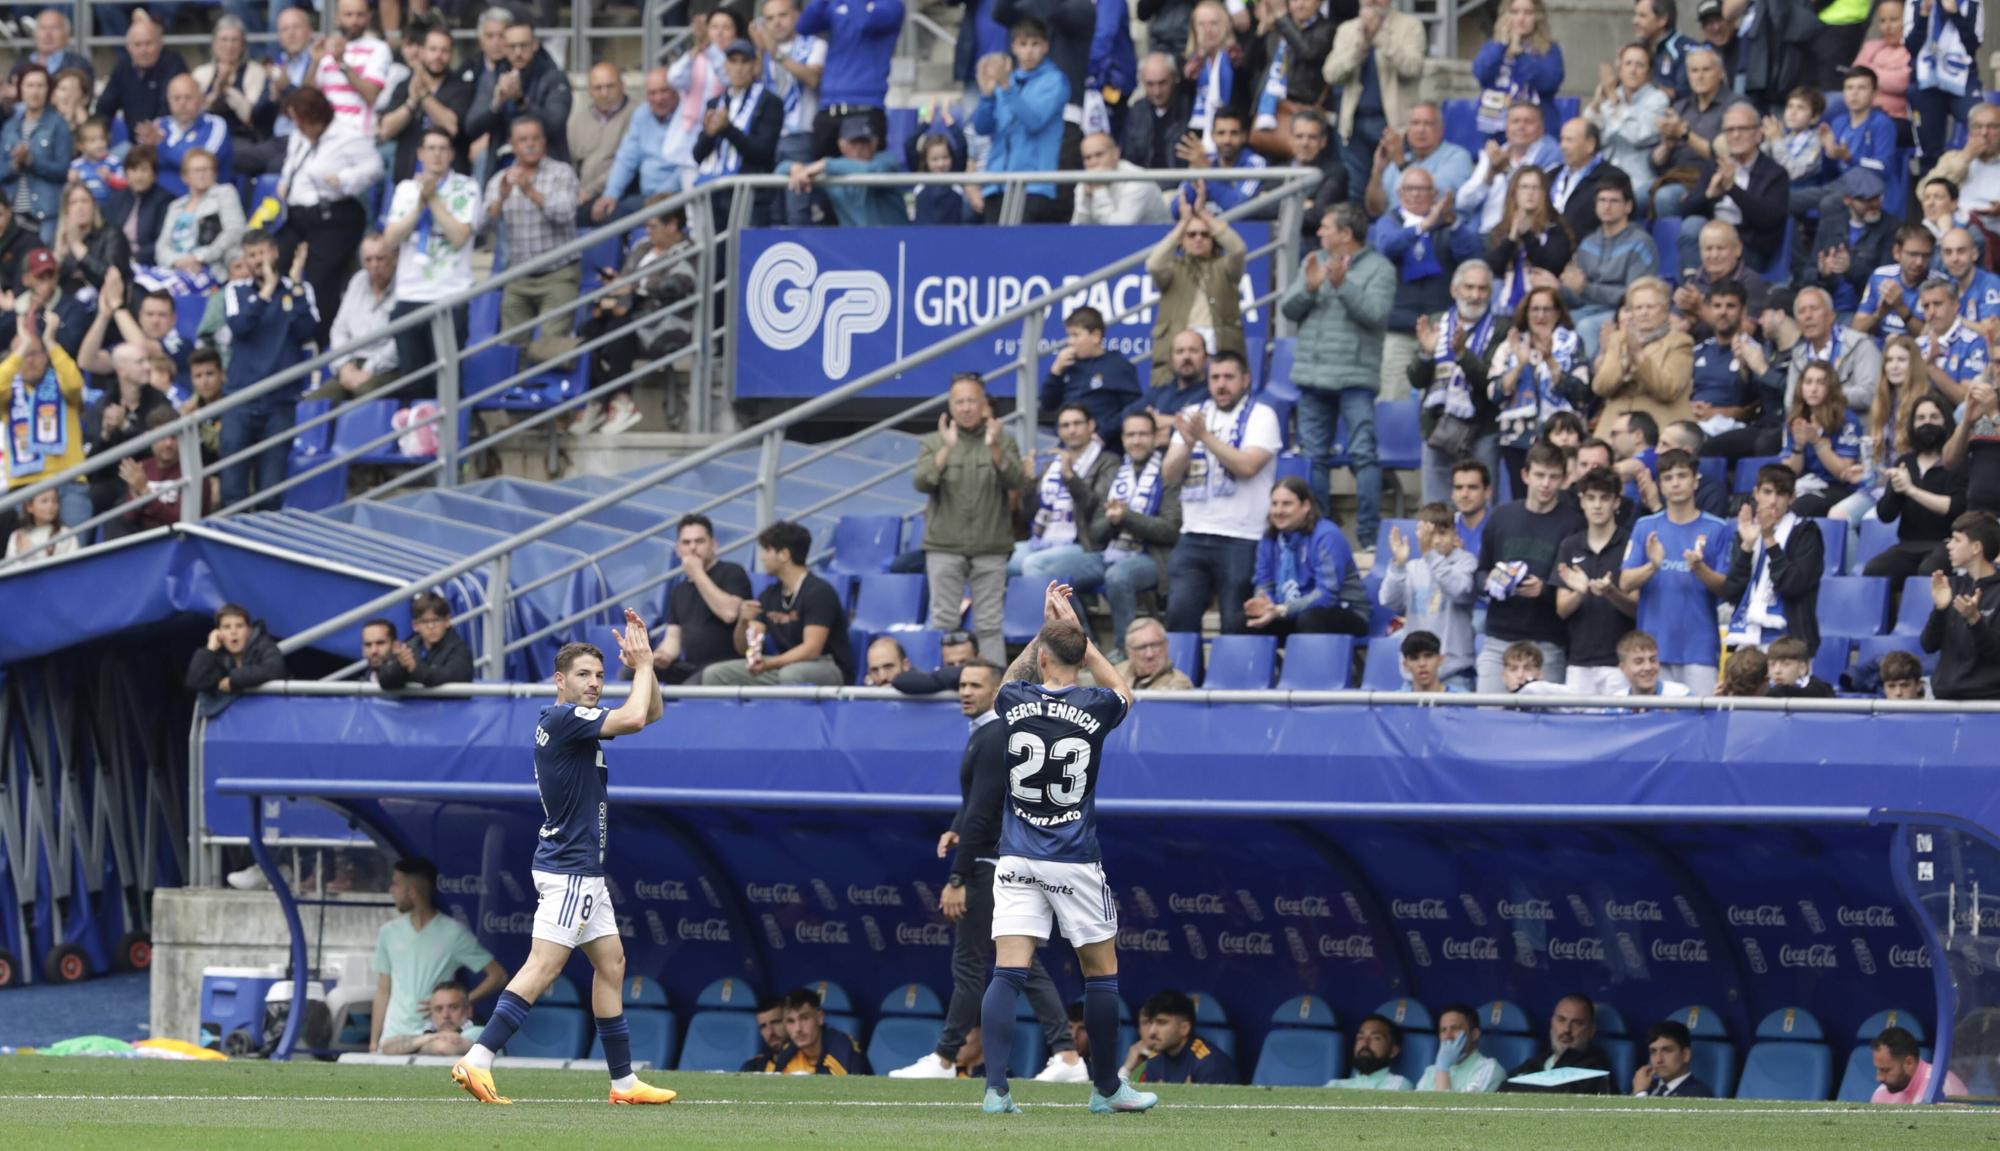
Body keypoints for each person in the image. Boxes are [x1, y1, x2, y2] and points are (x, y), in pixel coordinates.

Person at [451, 618, 675, 1106]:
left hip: (582, 870)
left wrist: (647, 667)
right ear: (560, 680)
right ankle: (478, 1058)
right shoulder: (564, 719)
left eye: (599, 674)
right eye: (583, 675)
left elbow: (650, 712)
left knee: (612, 963)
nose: (595, 682)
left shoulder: (574, 722)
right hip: (570, 869)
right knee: (544, 966)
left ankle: (623, 1083)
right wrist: (639, 666)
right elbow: (636, 719)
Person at [978, 582, 1153, 1116]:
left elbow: (1007, 680)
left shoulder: (1015, 699)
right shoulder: (1097, 705)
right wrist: (1080, 633)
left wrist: (1046, 628)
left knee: (1008, 969)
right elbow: (1125, 691)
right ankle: (1105, 1089)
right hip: (1073, 857)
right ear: (1078, 656)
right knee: (1101, 972)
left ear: (1043, 656)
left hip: (1016, 855)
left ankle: (995, 1090)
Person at [893, 659, 1086, 1082]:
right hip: (1002, 862)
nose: (965, 691)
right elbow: (978, 803)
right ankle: (1068, 1056)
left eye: (976, 685)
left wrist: (958, 877)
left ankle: (944, 1059)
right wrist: (954, 829)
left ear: (997, 691)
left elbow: (982, 812)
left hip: (988, 867)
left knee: (970, 963)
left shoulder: (996, 731)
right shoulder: (989, 731)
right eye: (962, 684)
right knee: (1021, 965)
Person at [1284, 203, 1394, 541]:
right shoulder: (1313, 261)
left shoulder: (1380, 269)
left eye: (1326, 227)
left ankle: (1368, 537)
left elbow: (1376, 314)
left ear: (1346, 234)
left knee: (1363, 455)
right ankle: (1320, 532)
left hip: (1354, 379)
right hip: (1312, 378)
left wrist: (1344, 285)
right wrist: (1310, 287)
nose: (1319, 233)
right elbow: (1288, 308)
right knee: (1313, 457)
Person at [1163, 350, 1283, 634]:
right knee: (1179, 616)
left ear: (1245, 380)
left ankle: (1231, 680)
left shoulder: (1262, 415)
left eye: (1228, 377)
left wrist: (1204, 437)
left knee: (1235, 623)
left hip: (1242, 537)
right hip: (1193, 534)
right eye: (1215, 377)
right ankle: (1186, 679)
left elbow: (1248, 466)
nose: (1221, 384)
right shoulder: (1194, 414)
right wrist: (1190, 445)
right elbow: (1169, 473)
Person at [917, 374, 1028, 664]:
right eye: (959, 402)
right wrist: (947, 449)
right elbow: (922, 482)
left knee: (990, 624)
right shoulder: (933, 441)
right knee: (942, 621)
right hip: (943, 545)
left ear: (983, 405)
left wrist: (994, 448)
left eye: (971, 401)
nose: (966, 408)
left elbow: (1018, 480)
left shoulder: (1004, 440)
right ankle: (940, 678)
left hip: (991, 545)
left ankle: (993, 691)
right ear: (950, 406)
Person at [220, 229, 319, 511]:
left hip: (281, 404)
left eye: (262, 253)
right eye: (251, 256)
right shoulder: (235, 290)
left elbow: (308, 331)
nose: (257, 261)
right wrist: (265, 293)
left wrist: (296, 284)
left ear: (274, 252)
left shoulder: (299, 289)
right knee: (232, 491)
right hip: (239, 401)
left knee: (271, 491)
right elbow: (240, 326)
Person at [273, 87, 382, 344]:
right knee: (275, 260)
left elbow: (375, 167)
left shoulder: (347, 136)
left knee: (321, 279)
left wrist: (345, 179)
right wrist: (285, 181)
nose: (297, 126)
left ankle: (325, 340)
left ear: (316, 117)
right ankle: (283, 332)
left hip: (334, 215)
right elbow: (292, 162)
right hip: (298, 215)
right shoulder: (299, 136)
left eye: (301, 120)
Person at [1619, 448, 1733, 692]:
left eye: (1682, 476)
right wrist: (1653, 566)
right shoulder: (1644, 526)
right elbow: (1625, 582)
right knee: (1654, 724)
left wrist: (1700, 569)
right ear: (1659, 485)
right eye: (1668, 478)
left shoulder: (1718, 528)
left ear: (1695, 481)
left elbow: (1727, 588)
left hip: (1699, 649)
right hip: (1652, 653)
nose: (1675, 483)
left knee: (1701, 725)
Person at [579, 199, 696, 435]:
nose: (647, 231)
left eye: (652, 226)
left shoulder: (689, 249)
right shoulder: (642, 247)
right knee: (588, 330)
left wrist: (634, 287)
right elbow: (625, 280)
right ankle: (600, 400)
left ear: (672, 224)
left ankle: (622, 401)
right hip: (631, 314)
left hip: (666, 321)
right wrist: (614, 285)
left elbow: (678, 285)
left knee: (620, 330)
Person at [1476, 441, 1587, 690]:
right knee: (1487, 720)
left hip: (1546, 640)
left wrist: (1545, 590)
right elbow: (1480, 570)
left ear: (1565, 479)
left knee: (1546, 725)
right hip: (1498, 638)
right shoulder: (1501, 516)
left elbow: (1578, 584)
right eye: (1539, 475)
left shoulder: (1574, 524)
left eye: (1553, 477)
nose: (1546, 484)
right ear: (1525, 475)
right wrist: (1491, 581)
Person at [369, 856, 506, 1053]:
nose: (391, 890)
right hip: (393, 1037)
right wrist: (374, 1043)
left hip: (436, 1037)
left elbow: (498, 975)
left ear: (413, 892)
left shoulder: (453, 933)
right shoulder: (388, 932)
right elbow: (383, 990)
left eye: (395, 884)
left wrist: (463, 1001)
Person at [382, 129, 478, 399]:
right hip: (410, 295)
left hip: (450, 295)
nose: (437, 154)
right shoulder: (405, 189)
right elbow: (390, 239)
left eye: (443, 148)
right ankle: (416, 440)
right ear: (420, 154)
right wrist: (418, 204)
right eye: (431, 148)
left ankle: (448, 439)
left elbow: (459, 236)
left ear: (451, 154)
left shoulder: (467, 187)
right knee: (413, 381)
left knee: (446, 380)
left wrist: (433, 200)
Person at [703, 521, 854, 686]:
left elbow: (812, 649)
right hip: (785, 665)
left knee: (791, 675)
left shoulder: (819, 592)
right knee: (715, 674)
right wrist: (743, 622)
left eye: (767, 550)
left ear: (784, 555)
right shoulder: (769, 596)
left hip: (826, 666)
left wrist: (770, 664)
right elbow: (746, 649)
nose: (762, 557)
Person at [1409, 261, 1506, 504]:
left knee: (1482, 511)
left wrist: (1463, 355)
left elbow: (1492, 385)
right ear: (1454, 290)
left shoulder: (1502, 329)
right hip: (1438, 427)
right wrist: (1426, 354)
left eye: (1483, 289)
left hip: (1482, 429)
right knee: (1436, 510)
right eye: (1469, 287)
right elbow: (1416, 379)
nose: (1475, 295)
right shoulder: (1435, 323)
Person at [483, 117, 579, 345]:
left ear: (544, 142)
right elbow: (483, 225)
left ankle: (544, 381)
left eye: (535, 138)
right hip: (519, 276)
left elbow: (566, 213)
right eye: (523, 140)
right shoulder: (500, 180)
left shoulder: (562, 172)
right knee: (511, 346)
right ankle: (517, 382)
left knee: (551, 346)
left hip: (558, 274)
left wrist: (530, 191)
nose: (530, 144)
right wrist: (501, 198)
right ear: (512, 145)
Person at [1374, 167, 1462, 410]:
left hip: (1440, 329)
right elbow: (1386, 247)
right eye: (1409, 189)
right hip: (1399, 329)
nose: (1415, 195)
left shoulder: (1445, 225)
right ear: (1400, 193)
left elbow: (1472, 255)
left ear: (1433, 194)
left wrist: (1453, 225)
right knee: (1393, 400)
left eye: (1422, 189)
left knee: (1440, 403)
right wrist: (1422, 227)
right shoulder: (1389, 221)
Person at [1323, 0, 1427, 205]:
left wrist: (1380, 37)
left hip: (1394, 126)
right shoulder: (1347, 29)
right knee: (1355, 192)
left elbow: (1412, 68)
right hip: (1353, 125)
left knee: (1392, 190)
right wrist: (1358, 51)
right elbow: (1330, 74)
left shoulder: (1410, 26)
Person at [1721, 464, 1826, 656]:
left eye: (1781, 494)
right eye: (1767, 492)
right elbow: (1731, 592)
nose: (1773, 501)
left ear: (1792, 498)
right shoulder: (1747, 532)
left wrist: (1769, 539)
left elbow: (1793, 585)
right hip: (1748, 642)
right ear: (1756, 493)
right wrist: (1746, 546)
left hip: (1791, 642)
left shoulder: (1806, 532)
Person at [1146, 189, 1247, 385]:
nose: (1198, 238)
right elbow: (1154, 264)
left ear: (1213, 239)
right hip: (1181, 349)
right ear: (1182, 241)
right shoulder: (1173, 268)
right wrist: (1182, 224)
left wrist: (1205, 215)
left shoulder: (1224, 267)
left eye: (1205, 234)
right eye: (1191, 235)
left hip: (1218, 349)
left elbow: (1238, 249)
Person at [1554, 466, 1638, 691]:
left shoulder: (1631, 544)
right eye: (1590, 498)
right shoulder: (1569, 546)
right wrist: (1579, 593)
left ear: (1617, 502)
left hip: (1621, 663)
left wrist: (1611, 592)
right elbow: (1562, 609)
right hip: (1579, 660)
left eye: (1604, 498)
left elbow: (1636, 608)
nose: (1597, 505)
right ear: (1582, 501)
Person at [1678, 103, 1789, 273]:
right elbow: (1685, 211)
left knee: (1719, 243)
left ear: (1758, 134)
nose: (1736, 135)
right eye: (1730, 130)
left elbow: (1768, 220)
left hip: (1747, 250)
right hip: (1712, 246)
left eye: (1743, 129)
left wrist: (1732, 188)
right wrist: (1708, 195)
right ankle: (1692, 283)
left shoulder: (1774, 173)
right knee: (1692, 224)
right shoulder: (1715, 166)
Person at [1012, 405, 1118, 577]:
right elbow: (1028, 514)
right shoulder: (1050, 465)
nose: (1072, 430)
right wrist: (1029, 483)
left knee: (1034, 565)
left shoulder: (1107, 462)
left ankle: (1056, 605)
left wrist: (1070, 477)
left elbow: (1095, 509)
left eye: (1077, 423)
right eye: (1065, 425)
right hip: (1043, 541)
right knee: (997, 560)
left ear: (1091, 425)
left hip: (1086, 547)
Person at [0, 324, 88, 529]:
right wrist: (20, 351)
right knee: (34, 557)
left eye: (35, 353)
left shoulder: (62, 385)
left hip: (69, 482)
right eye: (24, 354)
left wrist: (50, 342)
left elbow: (75, 384)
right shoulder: (8, 395)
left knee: (76, 555)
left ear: (46, 356)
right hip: (25, 487)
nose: (29, 360)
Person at [1381, 502, 1479, 686]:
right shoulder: (1412, 568)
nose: (1436, 541)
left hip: (1454, 673)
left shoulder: (1466, 562)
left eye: (1442, 533)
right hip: (1414, 677)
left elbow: (1459, 591)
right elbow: (1388, 601)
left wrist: (1430, 555)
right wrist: (1398, 566)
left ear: (1454, 534)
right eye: (1430, 534)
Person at [1867, 395, 1964, 580]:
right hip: (1907, 544)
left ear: (1946, 421)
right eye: (1921, 418)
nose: (1927, 423)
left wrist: (1911, 490)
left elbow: (1956, 507)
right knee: (1875, 570)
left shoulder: (1956, 462)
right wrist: (1896, 490)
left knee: (1929, 570)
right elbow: (1885, 515)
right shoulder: (1905, 462)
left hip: (1945, 544)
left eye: (1934, 417)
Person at [691, 39, 784, 225]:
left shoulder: (770, 102)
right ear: (725, 66)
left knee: (745, 252)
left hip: (750, 196)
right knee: (716, 253)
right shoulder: (715, 103)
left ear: (755, 65)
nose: (738, 68)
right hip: (715, 193)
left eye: (744, 61)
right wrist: (709, 134)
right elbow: (698, 154)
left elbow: (763, 153)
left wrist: (728, 129)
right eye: (733, 61)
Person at [655, 514, 753, 685]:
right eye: (686, 543)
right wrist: (662, 655)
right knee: (632, 674)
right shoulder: (679, 590)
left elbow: (729, 613)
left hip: (725, 667)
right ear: (678, 549)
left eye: (699, 541)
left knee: (690, 688)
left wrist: (697, 573)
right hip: (691, 667)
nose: (693, 548)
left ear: (713, 545)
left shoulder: (732, 572)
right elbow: (673, 638)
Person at [1646, 46, 1742, 221]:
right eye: (1694, 70)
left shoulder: (1734, 107)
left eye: (1706, 69)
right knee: (1629, 195)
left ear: (1721, 73)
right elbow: (1655, 163)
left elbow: (1723, 155)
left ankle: (1671, 248)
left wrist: (1684, 134)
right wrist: (1667, 146)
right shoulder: (1680, 107)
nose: (1700, 76)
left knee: (1665, 197)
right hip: (1673, 176)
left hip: (1711, 182)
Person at [1592, 277, 1694, 438]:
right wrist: (1623, 364)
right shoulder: (1618, 339)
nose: (1643, 312)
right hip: (1612, 429)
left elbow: (1668, 389)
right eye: (1638, 307)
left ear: (1665, 310)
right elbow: (1601, 387)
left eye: (1650, 307)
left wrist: (1638, 357)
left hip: (1656, 430)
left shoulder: (1680, 342)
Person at [378, 26, 474, 184]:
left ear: (451, 55)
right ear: (422, 52)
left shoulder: (462, 87)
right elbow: (386, 130)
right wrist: (411, 102)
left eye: (444, 51)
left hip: (450, 179)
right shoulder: (404, 86)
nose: (438, 56)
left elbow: (451, 126)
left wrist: (423, 95)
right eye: (433, 49)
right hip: (408, 176)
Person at [1922, 510, 2000, 699]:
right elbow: (1928, 645)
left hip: (1986, 703)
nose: (1949, 546)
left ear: (1976, 547)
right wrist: (1940, 610)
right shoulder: (1952, 585)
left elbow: (1996, 654)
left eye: (1957, 540)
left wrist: (1974, 620)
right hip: (1945, 699)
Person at [592, 70, 684, 226]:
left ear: (675, 91)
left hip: (678, 196)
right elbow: (626, 159)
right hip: (646, 197)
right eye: (652, 93)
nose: (658, 98)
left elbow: (689, 165)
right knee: (608, 213)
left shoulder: (688, 115)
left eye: (664, 91)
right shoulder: (642, 114)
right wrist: (610, 195)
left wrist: (661, 197)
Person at [1457, 102, 1562, 238]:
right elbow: (1463, 203)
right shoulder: (1494, 154)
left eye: (1528, 122)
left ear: (1541, 128)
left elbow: (1542, 201)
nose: (1521, 126)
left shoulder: (1550, 155)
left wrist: (1506, 169)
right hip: (1483, 233)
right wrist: (1489, 176)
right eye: (1515, 121)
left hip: (1522, 235)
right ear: (1506, 127)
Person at [1041, 306, 1142, 446]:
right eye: (1069, 336)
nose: (1070, 342)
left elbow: (1133, 409)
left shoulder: (1118, 366)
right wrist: (1055, 372)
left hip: (1103, 446)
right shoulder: (1068, 365)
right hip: (1067, 444)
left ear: (1095, 336)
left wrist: (1104, 433)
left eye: (1076, 335)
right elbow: (1047, 404)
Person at [783, 115, 907, 226]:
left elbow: (873, 170)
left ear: (875, 143)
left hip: (897, 243)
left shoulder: (887, 160)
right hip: (855, 245)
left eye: (865, 142)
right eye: (854, 142)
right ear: (841, 145)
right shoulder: (832, 168)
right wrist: (794, 168)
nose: (859, 148)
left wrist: (825, 164)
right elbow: (780, 170)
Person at [315, 232, 397, 399]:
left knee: (364, 393)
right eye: (368, 260)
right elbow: (339, 330)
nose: (374, 265)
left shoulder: (405, 286)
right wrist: (344, 366)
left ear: (395, 258)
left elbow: (401, 340)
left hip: (387, 368)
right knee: (313, 403)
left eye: (380, 258)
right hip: (351, 365)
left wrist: (369, 369)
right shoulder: (358, 281)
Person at [1781, 359, 1867, 517]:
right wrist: (1798, 447)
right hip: (1805, 485)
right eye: (1808, 382)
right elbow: (1790, 472)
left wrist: (1818, 443)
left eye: (1820, 383)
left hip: (1840, 489)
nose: (1813, 389)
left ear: (1831, 388)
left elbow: (1844, 473)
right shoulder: (1795, 420)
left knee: (1801, 507)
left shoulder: (1847, 420)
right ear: (1801, 387)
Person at [1904, 0, 1984, 169]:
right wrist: (1924, 14)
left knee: (1981, 125)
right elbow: (1912, 46)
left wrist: (1955, 13)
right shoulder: (1915, 2)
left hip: (1963, 77)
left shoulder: (1973, 3)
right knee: (1930, 149)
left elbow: (1973, 45)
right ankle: (1931, 192)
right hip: (1926, 77)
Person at [1584, 43, 1669, 199]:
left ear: (1649, 72)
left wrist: (1615, 102)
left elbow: (1638, 135)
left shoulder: (1658, 99)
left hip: (1637, 182)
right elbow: (1589, 138)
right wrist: (1596, 103)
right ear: (1619, 69)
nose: (1633, 70)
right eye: (1628, 63)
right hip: (1603, 178)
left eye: (1640, 65)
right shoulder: (1611, 95)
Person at [154, 149, 245, 290]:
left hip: (210, 269)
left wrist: (199, 257)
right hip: (177, 268)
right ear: (185, 177)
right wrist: (177, 262)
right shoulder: (176, 206)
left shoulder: (225, 193)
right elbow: (161, 246)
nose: (202, 174)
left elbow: (235, 231)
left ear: (215, 173)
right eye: (196, 170)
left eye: (206, 169)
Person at [1366, 102, 1475, 220]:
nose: (1420, 130)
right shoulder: (1398, 161)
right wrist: (1378, 171)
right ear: (1408, 130)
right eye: (1415, 123)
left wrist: (1400, 163)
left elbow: (1429, 199)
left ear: (1441, 130)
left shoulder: (1457, 157)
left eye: (1428, 124)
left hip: (1435, 231)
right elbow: (1375, 209)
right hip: (1395, 232)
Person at [0, 66, 70, 245]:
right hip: (13, 212)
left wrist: (31, 161)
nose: (35, 91)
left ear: (48, 90)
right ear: (20, 89)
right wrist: (15, 164)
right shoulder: (9, 126)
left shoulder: (58, 125)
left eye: (40, 86)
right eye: (30, 85)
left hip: (45, 213)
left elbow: (63, 169)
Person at [1473, 0, 1564, 136]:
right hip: (1495, 130)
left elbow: (1549, 83)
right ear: (1504, 16)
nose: (1521, 19)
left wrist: (1520, 54)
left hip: (1538, 132)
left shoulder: (1549, 49)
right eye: (1514, 12)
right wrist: (1502, 44)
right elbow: (1481, 74)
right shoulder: (1493, 46)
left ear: (1537, 17)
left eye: (1528, 13)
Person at [116, 406, 211, 534]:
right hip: (144, 541)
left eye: (173, 437)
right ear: (150, 438)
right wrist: (136, 492)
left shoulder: (193, 472)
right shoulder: (143, 468)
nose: (168, 443)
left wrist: (144, 491)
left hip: (177, 544)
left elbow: (183, 522)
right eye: (162, 437)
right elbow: (129, 519)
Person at [308, 0, 393, 137]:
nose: (355, 20)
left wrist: (342, 63)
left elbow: (371, 95)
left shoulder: (379, 48)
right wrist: (315, 63)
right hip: (324, 133)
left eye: (360, 15)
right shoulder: (324, 48)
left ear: (368, 17)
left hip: (358, 134)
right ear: (337, 18)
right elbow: (308, 96)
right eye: (349, 15)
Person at [1499, 994, 1615, 1094]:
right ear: (1552, 1022)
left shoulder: (1596, 1069)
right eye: (1561, 1019)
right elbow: (1503, 1089)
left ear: (1591, 1031)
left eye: (1577, 1023)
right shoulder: (1537, 1061)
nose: (1566, 1029)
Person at [94, 15, 190, 133]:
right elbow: (104, 108)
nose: (143, 50)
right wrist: (98, 135)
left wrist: (153, 131)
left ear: (160, 44)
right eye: (138, 44)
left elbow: (170, 107)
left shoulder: (173, 63)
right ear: (128, 47)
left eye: (148, 44)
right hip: (133, 143)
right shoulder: (123, 67)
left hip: (168, 139)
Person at [1124, 990, 1238, 1084]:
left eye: (1162, 1022)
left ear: (1184, 1028)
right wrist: (1127, 1069)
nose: (1152, 1031)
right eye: (1151, 1023)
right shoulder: (1154, 1058)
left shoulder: (1208, 1063)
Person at [568, 63, 634, 223]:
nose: (604, 93)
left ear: (622, 86)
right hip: (582, 194)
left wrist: (590, 192)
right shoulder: (578, 119)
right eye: (598, 88)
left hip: (619, 193)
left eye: (610, 86)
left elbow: (627, 165)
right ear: (590, 91)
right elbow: (571, 163)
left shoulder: (635, 114)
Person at [153, 75, 234, 201]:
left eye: (188, 97)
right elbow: (141, 165)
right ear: (168, 100)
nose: (182, 103)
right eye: (176, 98)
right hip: (158, 203)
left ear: (201, 99)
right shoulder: (158, 126)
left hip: (205, 202)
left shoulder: (215, 125)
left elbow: (197, 163)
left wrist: (161, 147)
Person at [761, 986, 872, 1074]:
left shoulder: (842, 1050)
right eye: (791, 1021)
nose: (798, 1029)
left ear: (819, 1018)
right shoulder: (787, 1054)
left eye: (804, 1018)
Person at [1855, 225, 1939, 340]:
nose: (1919, 262)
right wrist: (1878, 314)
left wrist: (1900, 308)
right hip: (1879, 351)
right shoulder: (1880, 277)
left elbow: (1932, 339)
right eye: (1913, 254)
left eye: (1926, 256)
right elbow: (1856, 330)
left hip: (1917, 353)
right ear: (1897, 252)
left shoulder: (1939, 285)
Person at [376, 593, 474, 688]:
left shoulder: (460, 650)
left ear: (447, 621)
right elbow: (384, 680)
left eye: (436, 620)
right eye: (424, 622)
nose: (431, 627)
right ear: (415, 625)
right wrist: (400, 666)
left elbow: (452, 676)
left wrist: (415, 669)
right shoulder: (409, 646)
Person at [1073, 132, 1174, 226]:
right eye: (1087, 158)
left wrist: (1099, 190)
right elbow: (1078, 228)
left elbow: (1118, 231)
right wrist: (1087, 198)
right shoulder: (1085, 181)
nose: (1093, 162)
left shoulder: (1138, 180)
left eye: (1099, 155)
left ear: (1116, 153)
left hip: (1156, 241)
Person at [185, 603, 287, 694]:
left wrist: (233, 680)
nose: (233, 632)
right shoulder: (217, 656)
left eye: (239, 626)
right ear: (218, 633)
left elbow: (275, 670)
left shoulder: (264, 645)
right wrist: (210, 649)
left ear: (249, 630)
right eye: (226, 627)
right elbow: (195, 681)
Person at [1123, 329, 1213, 430]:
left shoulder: (1213, 393)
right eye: (1180, 351)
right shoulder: (1159, 392)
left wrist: (1165, 421)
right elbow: (1127, 415)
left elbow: (1210, 425)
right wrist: (1150, 420)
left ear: (1206, 357)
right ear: (1171, 360)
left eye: (1193, 350)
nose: (1186, 356)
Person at [1120, 52, 1191, 174]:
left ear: (1174, 78)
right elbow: (1129, 157)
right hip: (1143, 184)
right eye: (1150, 84)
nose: (1156, 92)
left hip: (1179, 182)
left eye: (1162, 83)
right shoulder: (1136, 112)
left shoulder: (1190, 108)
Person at [1553, 118, 1619, 245]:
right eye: (1562, 139)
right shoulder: (1551, 175)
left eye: (1569, 140)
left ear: (1590, 144)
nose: (1563, 146)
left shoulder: (1612, 179)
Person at [1418, 1004, 1507, 1091]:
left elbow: (1450, 1106)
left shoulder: (1489, 1069)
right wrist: (1441, 1066)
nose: (1448, 1036)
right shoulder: (1430, 1072)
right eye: (1443, 1030)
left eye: (1455, 1028)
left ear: (1474, 1034)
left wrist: (1443, 1070)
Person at [381, 982, 485, 1057]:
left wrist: (411, 1047)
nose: (445, 1015)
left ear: (468, 1011)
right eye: (438, 1009)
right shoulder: (428, 1035)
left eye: (453, 1007)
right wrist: (433, 1036)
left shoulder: (479, 1032)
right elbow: (386, 1047)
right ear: (431, 1014)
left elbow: (443, 1048)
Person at [1872, 1024, 1969, 1102]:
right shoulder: (1881, 1093)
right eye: (1878, 1069)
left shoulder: (1939, 1088)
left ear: (1909, 1063)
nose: (1879, 1078)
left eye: (1885, 1070)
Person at [1329, 1015, 1414, 1090]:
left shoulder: (1398, 1085)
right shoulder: (1335, 1086)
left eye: (1376, 1038)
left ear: (1393, 1051)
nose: (1365, 1043)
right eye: (1360, 1037)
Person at [1632, 1020, 1714, 1097]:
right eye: (1653, 1052)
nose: (1658, 1060)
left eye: (1667, 1050)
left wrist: (1639, 1093)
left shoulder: (1699, 1094)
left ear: (1686, 1055)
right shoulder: (1646, 1085)